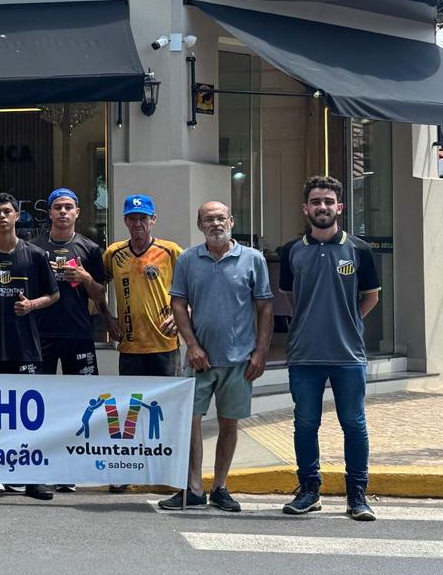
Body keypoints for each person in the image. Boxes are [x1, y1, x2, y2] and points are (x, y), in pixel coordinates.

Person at [277, 176, 380, 521]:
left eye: (328, 201)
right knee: (306, 424)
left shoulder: (360, 250)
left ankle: (357, 495)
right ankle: (309, 491)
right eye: (316, 201)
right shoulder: (291, 251)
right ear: (305, 208)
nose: (322, 207)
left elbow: (371, 296)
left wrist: (347, 320)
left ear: (340, 207)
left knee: (354, 423)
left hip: (348, 355)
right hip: (304, 355)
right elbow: (290, 296)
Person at [160, 201, 273, 512]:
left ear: (231, 221)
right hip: (199, 360)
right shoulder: (188, 259)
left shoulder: (253, 259)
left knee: (229, 423)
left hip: (239, 360)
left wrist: (261, 352)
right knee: (190, 421)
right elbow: (178, 304)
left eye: (221, 218)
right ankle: (194, 488)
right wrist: (192, 345)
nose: (215, 224)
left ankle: (220, 487)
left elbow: (265, 306)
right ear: (200, 225)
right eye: (208, 219)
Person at [0, 193, 59, 499]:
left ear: (17, 216)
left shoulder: (35, 255)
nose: (3, 216)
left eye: (8, 211)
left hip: (26, 348)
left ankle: (33, 479)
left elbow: (53, 294)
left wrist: (32, 304)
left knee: (28, 419)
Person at [103, 194, 182, 376]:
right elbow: (98, 287)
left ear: (153, 219)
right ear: (125, 221)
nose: (137, 223)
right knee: (132, 394)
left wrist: (183, 313)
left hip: (164, 342)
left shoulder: (170, 251)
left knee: (167, 393)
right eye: (132, 218)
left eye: (143, 218)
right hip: (130, 344)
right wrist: (107, 317)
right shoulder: (114, 253)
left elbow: (194, 285)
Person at [32, 188, 107, 377]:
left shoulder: (91, 249)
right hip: (41, 333)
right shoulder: (33, 248)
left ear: (77, 212)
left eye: (68, 207)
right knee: (38, 390)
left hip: (78, 333)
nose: (63, 212)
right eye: (57, 208)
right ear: (50, 212)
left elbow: (99, 296)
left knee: (84, 391)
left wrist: (85, 277)